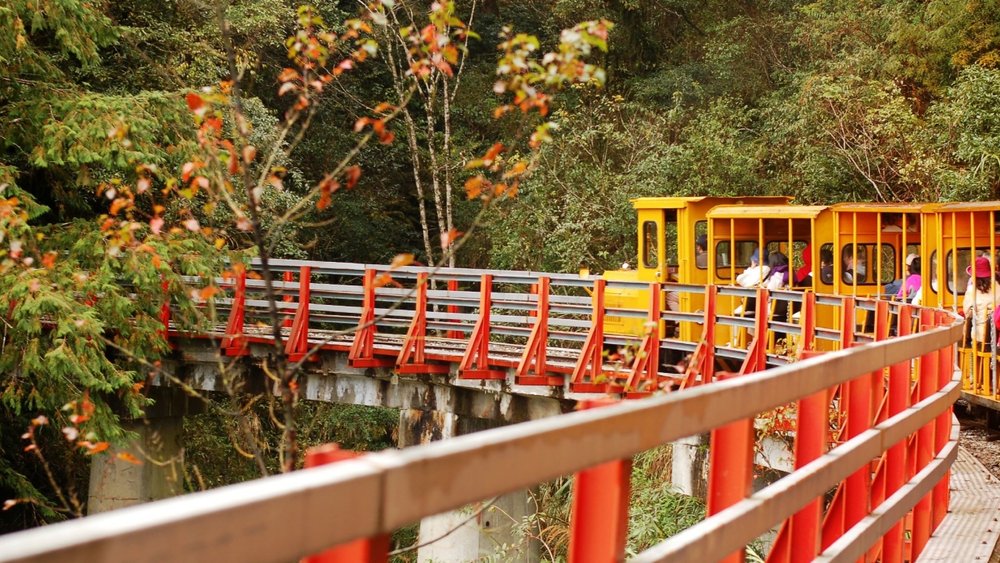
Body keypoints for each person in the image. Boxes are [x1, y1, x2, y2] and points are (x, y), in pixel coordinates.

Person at [962, 256, 1000, 344]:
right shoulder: (998, 287)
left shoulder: (972, 290)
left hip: (979, 337)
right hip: (997, 337)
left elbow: (967, 312)